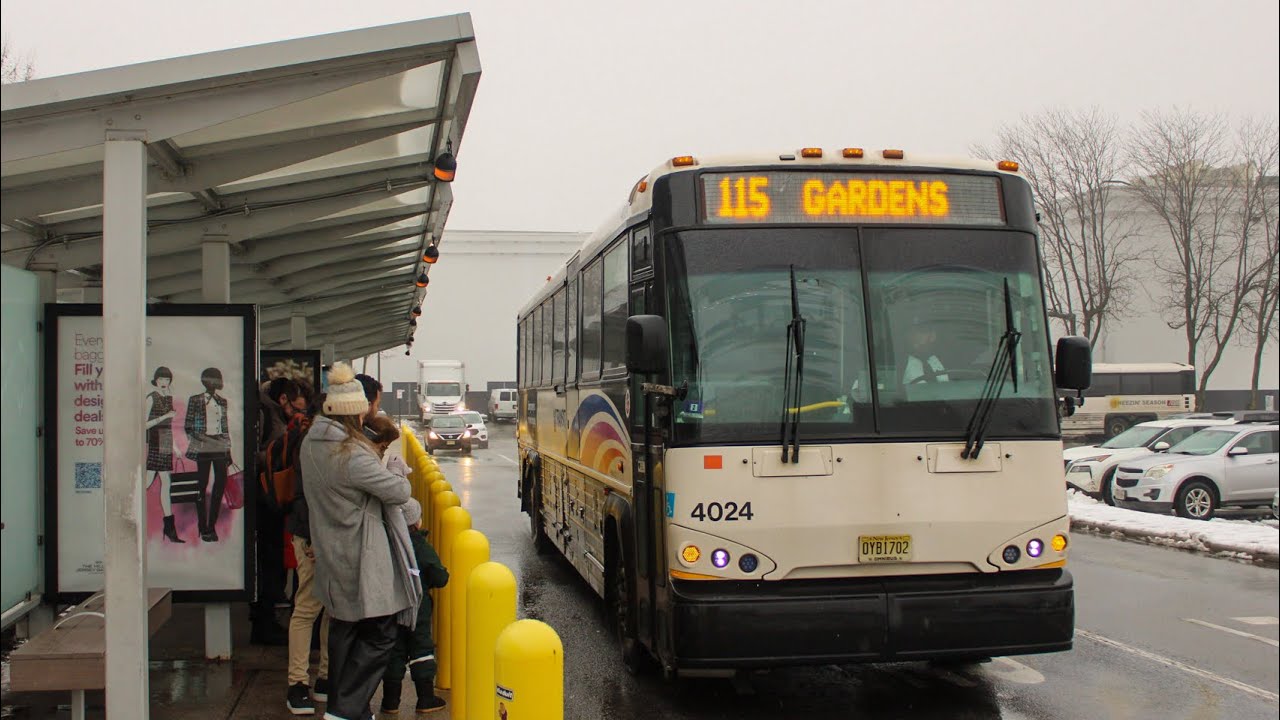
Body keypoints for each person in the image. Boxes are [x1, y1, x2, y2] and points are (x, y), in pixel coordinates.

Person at [300, 363, 421, 720]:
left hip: (331, 545)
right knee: (382, 632)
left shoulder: (312, 443)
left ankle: (344, 703)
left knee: (344, 629)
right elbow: (399, 490)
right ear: (354, 412)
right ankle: (346, 709)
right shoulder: (351, 455)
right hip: (362, 552)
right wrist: (393, 469)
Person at [378, 498, 448, 717]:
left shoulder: (387, 542)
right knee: (421, 650)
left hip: (392, 607)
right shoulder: (420, 545)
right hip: (418, 608)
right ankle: (425, 698)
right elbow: (439, 576)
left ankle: (390, 701)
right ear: (417, 522)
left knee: (394, 651)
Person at [252, 377, 307, 646]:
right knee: (268, 559)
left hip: (269, 498)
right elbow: (257, 454)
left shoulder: (269, 411)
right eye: (295, 408)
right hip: (265, 498)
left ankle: (267, 615)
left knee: (271, 559)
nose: (297, 415)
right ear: (284, 399)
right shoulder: (266, 414)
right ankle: (263, 622)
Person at [286, 388, 331, 715]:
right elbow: (306, 496)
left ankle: (325, 677)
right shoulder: (311, 443)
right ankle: (297, 683)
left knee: (330, 606)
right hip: (310, 537)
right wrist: (315, 537)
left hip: (324, 537)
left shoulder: (319, 439)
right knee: (307, 608)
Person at [184, 367, 233, 543]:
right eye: (213, 380)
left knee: (220, 485)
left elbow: (224, 427)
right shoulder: (196, 400)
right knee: (202, 486)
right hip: (203, 447)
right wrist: (200, 439)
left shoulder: (222, 401)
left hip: (219, 446)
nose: (215, 383)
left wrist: (228, 450)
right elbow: (188, 425)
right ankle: (202, 526)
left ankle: (211, 527)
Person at [145, 366, 184, 543]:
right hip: (155, 442)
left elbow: (168, 428)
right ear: (156, 380)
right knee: (149, 481)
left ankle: (169, 528)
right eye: (161, 379)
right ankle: (169, 529)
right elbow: (143, 424)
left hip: (165, 442)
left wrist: (175, 448)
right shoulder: (150, 398)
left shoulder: (168, 399)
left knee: (163, 482)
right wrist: (164, 416)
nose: (164, 383)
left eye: (167, 380)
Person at [902, 318, 950, 385]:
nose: (916, 336)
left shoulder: (943, 359)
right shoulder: (900, 363)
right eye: (912, 332)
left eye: (922, 331)